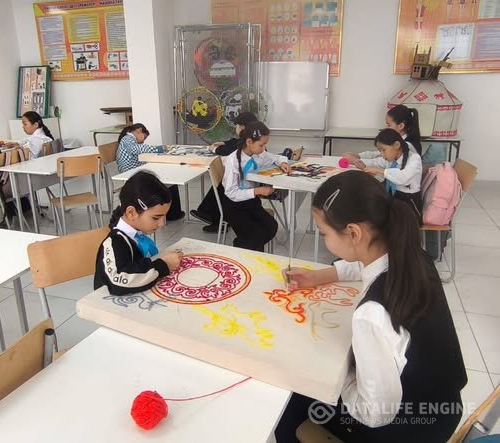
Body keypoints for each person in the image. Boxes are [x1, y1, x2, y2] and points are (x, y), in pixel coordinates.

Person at [276, 170, 467, 443]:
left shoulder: (371, 315)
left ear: (354, 233)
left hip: (406, 429)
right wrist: (320, 276)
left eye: (324, 233)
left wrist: (335, 374)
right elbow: (365, 263)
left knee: (291, 402)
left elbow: (375, 414)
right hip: (443, 408)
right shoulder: (413, 254)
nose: (324, 239)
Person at [94, 171, 183, 295]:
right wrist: (163, 265)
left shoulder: (137, 233)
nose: (161, 224)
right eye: (156, 218)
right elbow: (118, 282)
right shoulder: (115, 242)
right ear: (131, 213)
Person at [222, 121, 290, 251]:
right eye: (261, 145)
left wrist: (283, 163)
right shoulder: (233, 160)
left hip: (251, 201)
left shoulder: (258, 154)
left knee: (271, 226)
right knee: (256, 237)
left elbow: (276, 158)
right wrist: (257, 191)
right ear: (249, 142)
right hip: (233, 205)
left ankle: (242, 244)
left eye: (265, 145)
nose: (264, 148)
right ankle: (244, 247)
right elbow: (231, 192)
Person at [190, 111, 259, 232]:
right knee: (221, 182)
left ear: (242, 127)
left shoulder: (247, 142)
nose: (236, 129)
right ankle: (210, 215)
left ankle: (215, 218)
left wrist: (215, 149)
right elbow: (234, 142)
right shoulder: (253, 137)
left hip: (245, 183)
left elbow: (230, 150)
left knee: (222, 184)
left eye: (237, 126)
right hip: (246, 178)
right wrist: (223, 143)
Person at [351, 128, 423, 221]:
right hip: (394, 198)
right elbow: (376, 162)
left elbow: (403, 178)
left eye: (383, 150)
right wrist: (360, 163)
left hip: (409, 205)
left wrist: (381, 171)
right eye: (380, 151)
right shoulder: (392, 158)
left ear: (397, 145)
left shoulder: (414, 158)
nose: (382, 154)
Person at [116, 123, 184, 221]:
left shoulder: (127, 139)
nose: (143, 141)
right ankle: (173, 214)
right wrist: (158, 149)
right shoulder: (127, 139)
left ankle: (172, 214)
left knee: (167, 180)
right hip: (131, 173)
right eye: (144, 137)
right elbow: (137, 149)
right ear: (139, 130)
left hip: (133, 170)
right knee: (169, 183)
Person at [344, 105, 422, 160]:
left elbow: (382, 160)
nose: (386, 128)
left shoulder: (407, 146)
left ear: (401, 126)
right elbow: (378, 154)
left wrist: (358, 160)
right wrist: (359, 156)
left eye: (389, 125)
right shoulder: (399, 141)